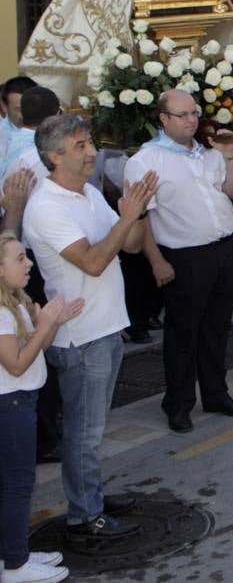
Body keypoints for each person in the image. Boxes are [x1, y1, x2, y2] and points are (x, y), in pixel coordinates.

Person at [27, 115, 156, 541]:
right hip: (80, 336)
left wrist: (137, 214)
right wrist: (127, 216)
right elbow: (95, 261)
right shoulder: (46, 206)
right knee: (84, 432)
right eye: (81, 145)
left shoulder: (86, 194)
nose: (91, 152)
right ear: (54, 156)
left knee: (93, 427)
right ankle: (86, 515)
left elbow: (132, 245)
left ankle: (91, 497)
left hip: (107, 326)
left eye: (89, 143)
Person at [124, 90, 233, 434]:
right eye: (181, 115)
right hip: (183, 256)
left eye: (193, 112)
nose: (190, 120)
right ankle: (179, 404)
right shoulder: (146, 160)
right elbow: (142, 218)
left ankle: (216, 393)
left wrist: (229, 156)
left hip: (223, 250)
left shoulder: (210, 152)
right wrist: (156, 262)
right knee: (183, 334)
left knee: (217, 328)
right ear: (163, 119)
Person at [0, 231, 82, 583]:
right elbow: (16, 364)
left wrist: (51, 326)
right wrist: (45, 325)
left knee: (14, 483)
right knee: (18, 484)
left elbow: (35, 350)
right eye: (19, 258)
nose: (28, 262)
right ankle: (15, 566)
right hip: (11, 404)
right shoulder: (2, 312)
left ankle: (13, 555)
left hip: (22, 400)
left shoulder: (15, 301)